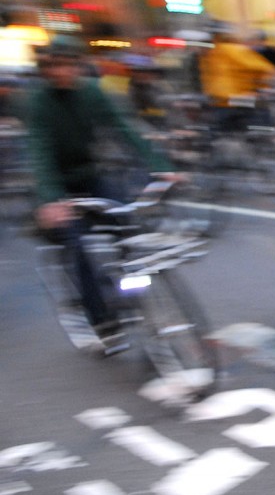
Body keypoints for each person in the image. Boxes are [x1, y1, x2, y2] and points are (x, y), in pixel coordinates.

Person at [26, 35, 181, 351]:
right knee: (78, 245)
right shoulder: (39, 103)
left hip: (91, 175)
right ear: (47, 67)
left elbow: (124, 129)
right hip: (59, 186)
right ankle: (101, 319)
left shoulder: (93, 93)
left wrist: (158, 166)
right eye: (55, 65)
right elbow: (40, 152)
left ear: (78, 65)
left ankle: (132, 291)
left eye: (69, 64)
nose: (63, 71)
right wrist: (51, 199)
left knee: (127, 224)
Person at [199, 24, 275, 133]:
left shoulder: (226, 50)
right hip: (228, 101)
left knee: (219, 134)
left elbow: (263, 68)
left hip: (229, 101)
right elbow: (264, 68)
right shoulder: (211, 55)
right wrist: (261, 88)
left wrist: (260, 88)